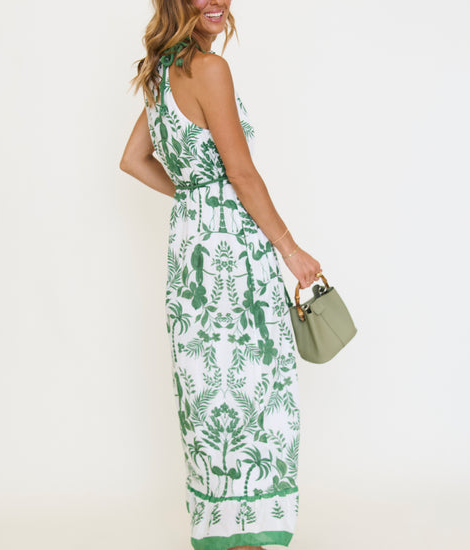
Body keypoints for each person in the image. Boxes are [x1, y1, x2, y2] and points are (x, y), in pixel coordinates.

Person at [120, 1, 322, 549]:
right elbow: (241, 172)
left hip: (191, 254)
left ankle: (224, 536)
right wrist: (290, 249)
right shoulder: (210, 69)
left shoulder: (161, 74)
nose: (216, 1)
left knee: (209, 395)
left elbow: (133, 159)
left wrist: (195, 197)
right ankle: (250, 539)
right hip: (234, 253)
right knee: (254, 391)